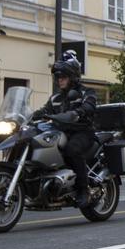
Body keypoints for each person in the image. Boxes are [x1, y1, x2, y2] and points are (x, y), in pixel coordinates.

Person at [31, 51, 97, 208]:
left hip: (83, 132)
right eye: (58, 77)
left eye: (63, 77)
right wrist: (26, 117)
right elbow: (43, 112)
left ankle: (83, 190)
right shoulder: (55, 98)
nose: (60, 80)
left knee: (72, 149)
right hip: (61, 132)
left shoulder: (86, 92)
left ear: (72, 77)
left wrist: (78, 112)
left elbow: (89, 106)